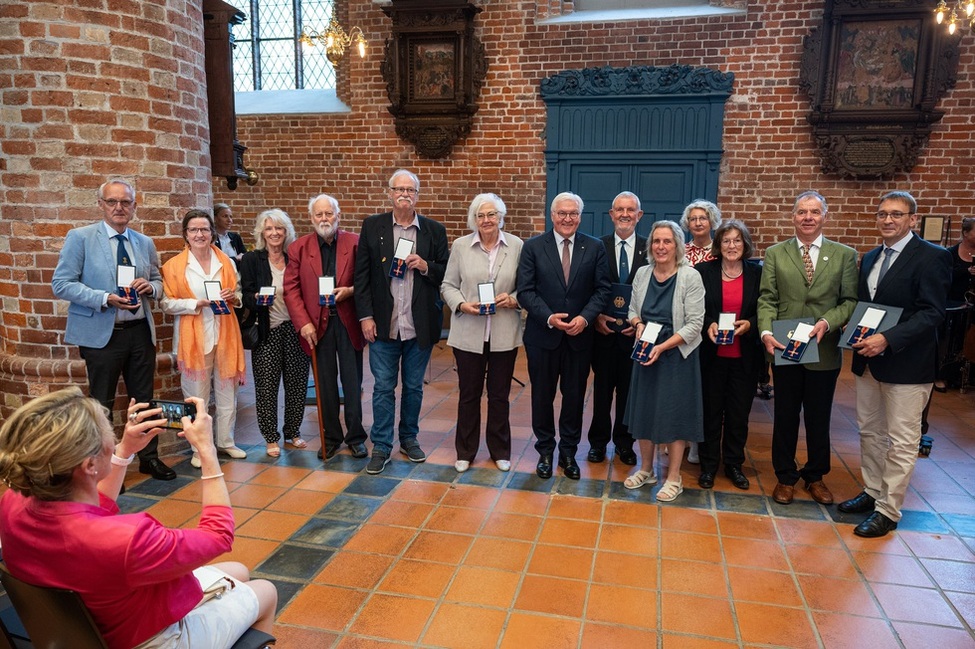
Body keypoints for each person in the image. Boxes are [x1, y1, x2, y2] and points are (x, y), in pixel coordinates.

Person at [0, 388, 277, 649]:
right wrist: (206, 449)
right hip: (148, 640)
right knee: (266, 590)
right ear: (89, 465)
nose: (112, 437)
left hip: (90, 627)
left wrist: (124, 451)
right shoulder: (128, 539)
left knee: (238, 570)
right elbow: (219, 534)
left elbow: (94, 508)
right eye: (107, 432)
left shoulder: (12, 503)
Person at [838, 191, 952, 537]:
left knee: (902, 439)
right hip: (868, 362)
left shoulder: (932, 257)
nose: (888, 220)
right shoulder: (871, 257)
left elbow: (933, 312)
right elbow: (868, 305)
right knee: (870, 431)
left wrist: (888, 339)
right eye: (883, 214)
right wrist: (853, 325)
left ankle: (888, 509)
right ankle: (872, 492)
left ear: (912, 220)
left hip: (907, 364)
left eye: (897, 214)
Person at [50, 178, 176, 482]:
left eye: (126, 202)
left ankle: (148, 458)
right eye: (112, 202)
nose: (119, 208)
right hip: (102, 335)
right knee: (101, 403)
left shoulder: (143, 242)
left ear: (134, 206)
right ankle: (100, 468)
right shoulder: (80, 238)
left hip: (139, 332)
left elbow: (159, 282)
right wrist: (103, 298)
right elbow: (61, 284)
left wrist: (151, 288)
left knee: (144, 400)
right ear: (101, 204)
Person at [757, 191, 858, 506]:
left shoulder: (844, 254)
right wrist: (765, 332)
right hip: (786, 346)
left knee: (818, 417)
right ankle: (785, 476)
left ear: (825, 216)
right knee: (785, 415)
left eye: (815, 212)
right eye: (802, 212)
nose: (808, 217)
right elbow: (767, 298)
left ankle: (815, 475)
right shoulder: (776, 253)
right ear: (793, 217)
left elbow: (849, 301)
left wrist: (828, 322)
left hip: (823, 349)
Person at [354, 170, 449, 474]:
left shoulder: (434, 230)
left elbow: (445, 273)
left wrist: (425, 266)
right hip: (384, 325)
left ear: (418, 195)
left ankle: (409, 437)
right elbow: (363, 276)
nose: (405, 194)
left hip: (418, 324)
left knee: (413, 387)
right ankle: (382, 445)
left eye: (411, 190)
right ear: (390, 193)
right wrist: (365, 316)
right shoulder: (373, 226)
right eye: (400, 189)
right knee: (382, 387)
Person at [517, 192, 611, 480]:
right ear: (552, 215)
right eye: (562, 213)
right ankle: (545, 451)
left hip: (579, 337)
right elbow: (525, 290)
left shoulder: (594, 247)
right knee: (542, 397)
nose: (567, 218)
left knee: (574, 397)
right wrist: (548, 317)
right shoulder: (533, 247)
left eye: (573, 214)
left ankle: (568, 453)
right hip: (543, 336)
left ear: (580, 217)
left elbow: (602, 289)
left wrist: (585, 318)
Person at [622, 220, 705, 502]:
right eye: (656, 241)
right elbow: (633, 309)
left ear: (678, 246)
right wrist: (637, 324)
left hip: (676, 355)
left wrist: (663, 346)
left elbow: (695, 324)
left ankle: (674, 476)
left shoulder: (690, 277)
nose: (661, 246)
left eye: (667, 241)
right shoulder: (643, 273)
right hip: (645, 352)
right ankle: (646, 469)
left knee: (674, 415)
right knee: (643, 410)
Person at [441, 193, 524, 473]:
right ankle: (465, 451)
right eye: (480, 215)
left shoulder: (517, 246)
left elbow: (527, 286)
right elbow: (447, 286)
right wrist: (462, 304)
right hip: (468, 332)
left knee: (499, 395)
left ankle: (500, 450)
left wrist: (514, 299)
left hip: (503, 332)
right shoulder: (461, 246)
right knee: (468, 394)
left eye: (491, 215)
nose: (486, 220)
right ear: (474, 219)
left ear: (501, 217)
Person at [285, 194, 368, 461]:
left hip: (346, 322)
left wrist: (351, 291)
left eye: (329, 214)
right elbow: (291, 289)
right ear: (311, 218)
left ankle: (356, 437)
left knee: (353, 382)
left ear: (338, 215)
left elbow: (367, 282)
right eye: (319, 215)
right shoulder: (298, 248)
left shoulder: (355, 243)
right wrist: (303, 323)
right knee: (325, 384)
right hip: (316, 325)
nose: (324, 219)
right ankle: (330, 437)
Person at [162, 210, 247, 467]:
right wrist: (193, 303)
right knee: (196, 396)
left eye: (204, 229)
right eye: (194, 230)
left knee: (226, 394)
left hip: (225, 335)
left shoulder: (227, 262)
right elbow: (166, 303)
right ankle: (200, 449)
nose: (200, 234)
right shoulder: (175, 266)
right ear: (185, 234)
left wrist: (235, 297)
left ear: (212, 233)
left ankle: (226, 442)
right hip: (194, 339)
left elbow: (239, 292)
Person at [695, 220, 762, 490]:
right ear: (718, 245)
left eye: (737, 240)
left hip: (744, 357)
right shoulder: (703, 272)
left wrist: (751, 325)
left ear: (744, 244)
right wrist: (708, 322)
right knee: (710, 412)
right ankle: (708, 466)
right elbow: (694, 308)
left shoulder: (757, 274)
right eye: (726, 241)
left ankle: (734, 464)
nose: (731, 246)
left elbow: (768, 308)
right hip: (711, 356)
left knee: (738, 414)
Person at [239, 209, 310, 458]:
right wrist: (256, 298)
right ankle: (270, 437)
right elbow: (245, 295)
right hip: (267, 331)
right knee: (267, 387)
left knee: (297, 384)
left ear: (287, 231)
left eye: (279, 228)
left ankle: (293, 431)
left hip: (296, 329)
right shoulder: (251, 260)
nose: (274, 233)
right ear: (262, 233)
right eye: (269, 228)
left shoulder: (296, 257)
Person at [586, 191, 648, 466]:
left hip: (635, 336)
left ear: (639, 215)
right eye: (619, 209)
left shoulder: (652, 248)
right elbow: (586, 287)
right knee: (600, 392)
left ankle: (625, 443)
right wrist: (596, 316)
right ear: (611, 215)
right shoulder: (596, 246)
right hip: (603, 334)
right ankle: (598, 444)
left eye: (630, 210)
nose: (625, 214)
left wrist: (641, 324)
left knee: (628, 392)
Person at [679, 199, 721, 465]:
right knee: (683, 385)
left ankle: (698, 441)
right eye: (693, 219)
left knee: (704, 387)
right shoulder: (679, 250)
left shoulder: (722, 251)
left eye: (702, 218)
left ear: (712, 221)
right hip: (683, 324)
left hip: (711, 326)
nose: (697, 223)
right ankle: (678, 437)